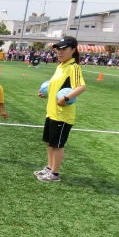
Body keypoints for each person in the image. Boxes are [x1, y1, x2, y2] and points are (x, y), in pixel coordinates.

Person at [35, 36, 86, 182]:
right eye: (58, 49)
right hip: (52, 112)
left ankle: (55, 174)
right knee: (50, 142)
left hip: (63, 115)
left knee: (57, 144)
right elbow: (57, 87)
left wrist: (67, 98)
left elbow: (81, 86)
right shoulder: (60, 66)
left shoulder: (73, 67)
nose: (60, 52)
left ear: (73, 50)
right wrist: (45, 93)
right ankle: (50, 168)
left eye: (64, 49)